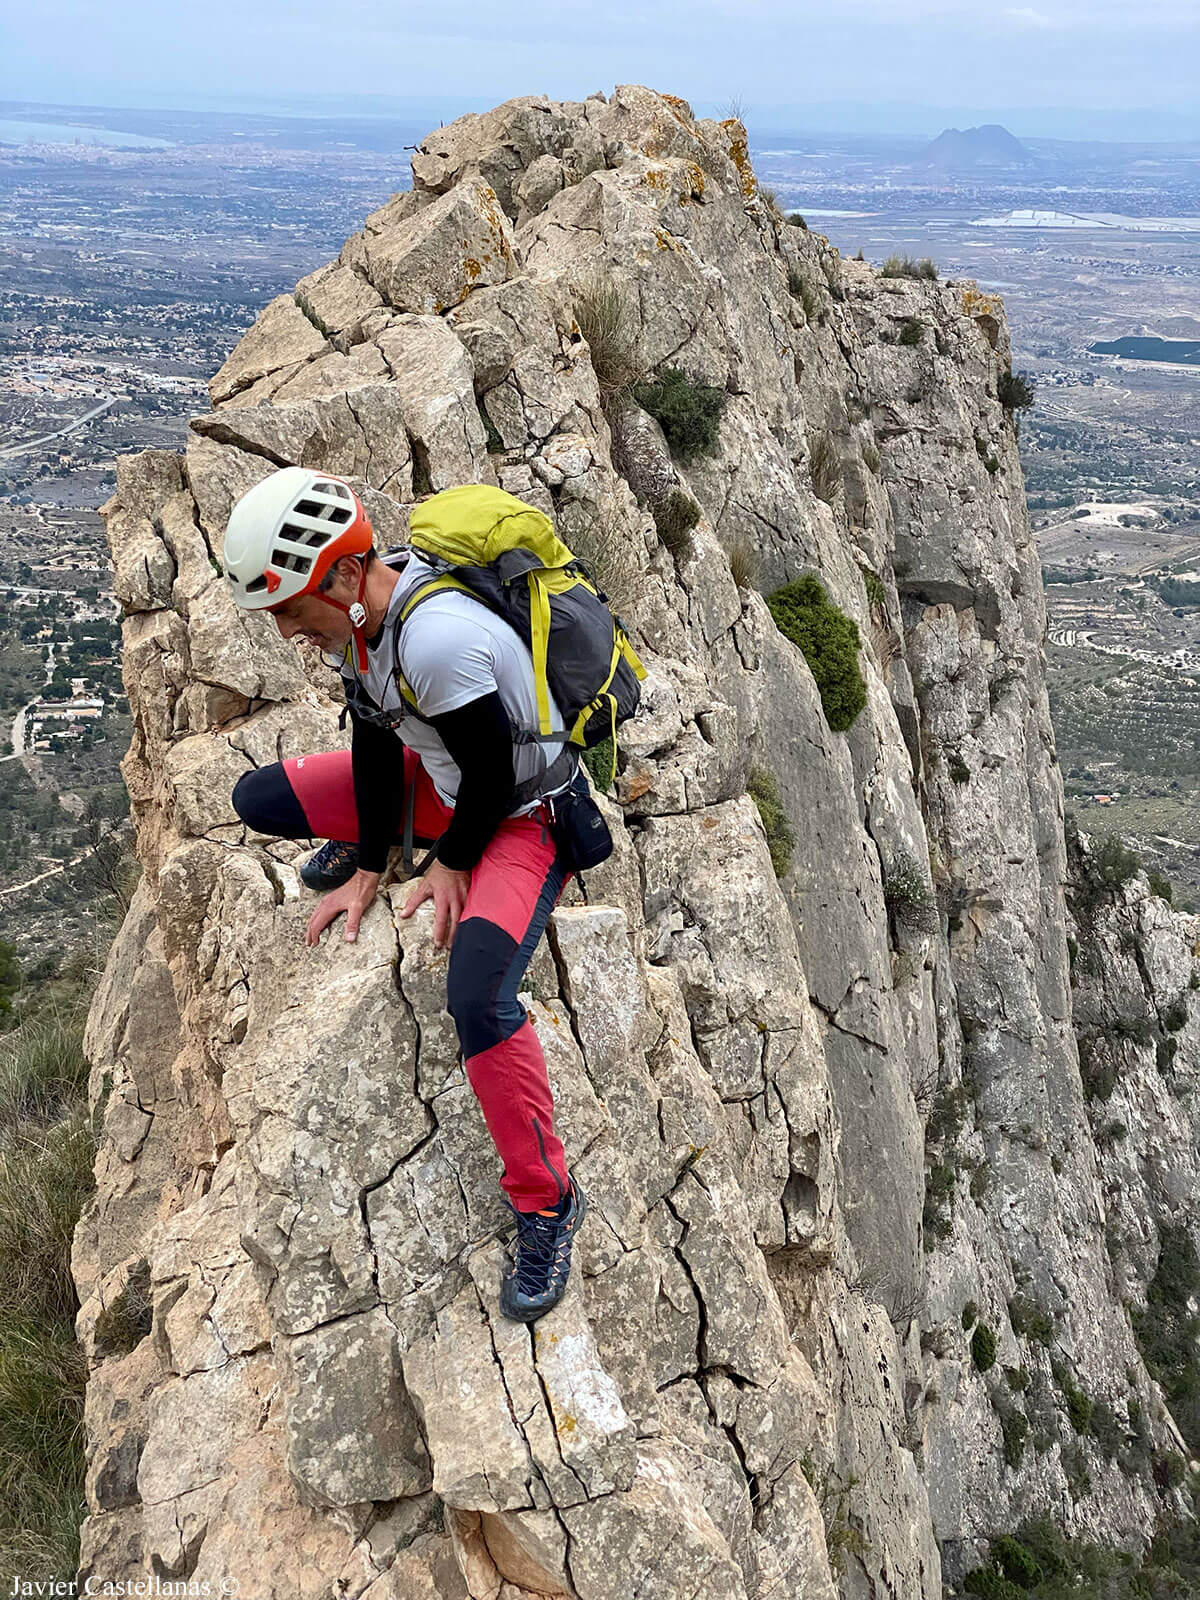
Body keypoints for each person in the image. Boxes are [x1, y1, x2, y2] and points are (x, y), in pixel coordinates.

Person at [220, 466, 586, 1323]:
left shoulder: (435, 639)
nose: (286, 631)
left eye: (290, 609)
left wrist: (450, 864)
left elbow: (495, 774)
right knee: (259, 799)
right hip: (450, 782)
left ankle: (547, 1203)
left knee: (479, 999)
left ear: (347, 575)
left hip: (522, 813)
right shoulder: (361, 627)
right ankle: (391, 844)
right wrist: (370, 863)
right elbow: (380, 740)